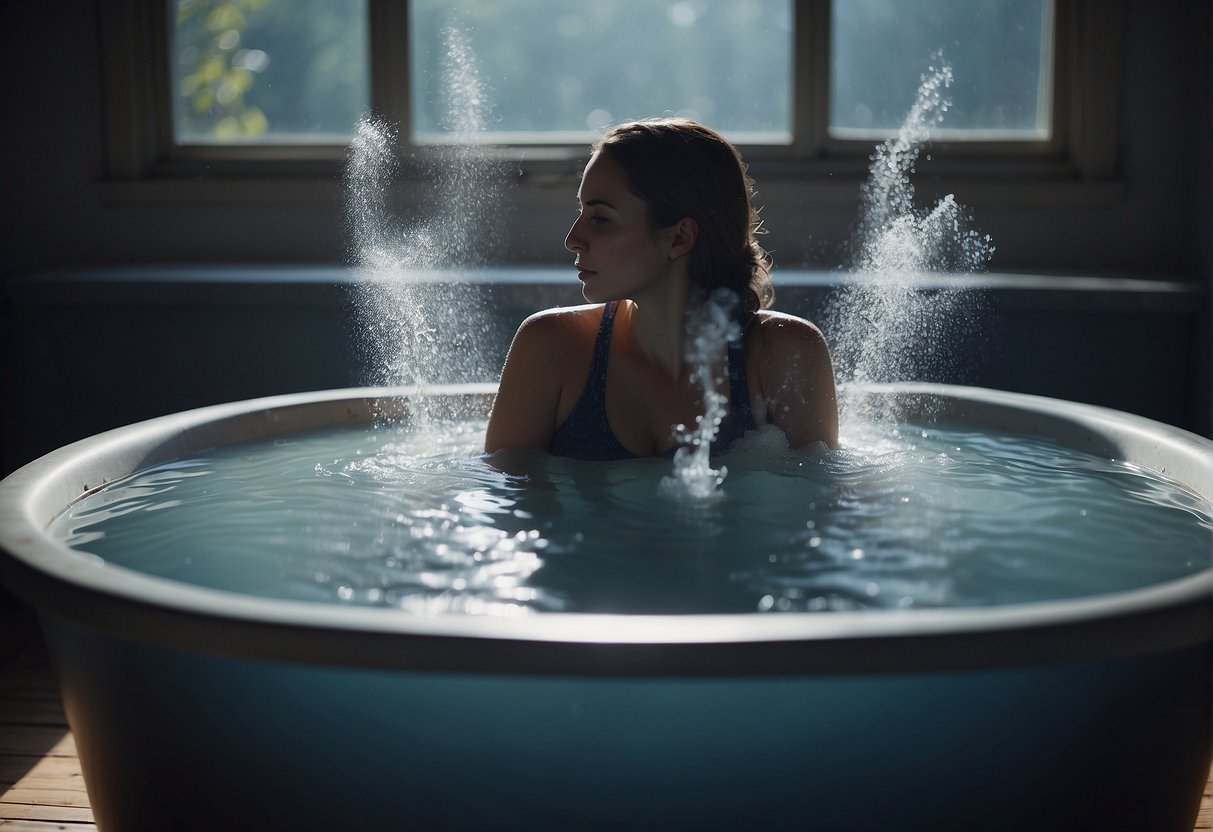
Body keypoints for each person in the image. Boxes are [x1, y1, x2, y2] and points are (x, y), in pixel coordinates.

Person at [485, 118, 838, 459]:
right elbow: (505, 503)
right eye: (581, 212)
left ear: (679, 237)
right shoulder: (550, 346)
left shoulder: (782, 355)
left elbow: (812, 506)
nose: (573, 240)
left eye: (600, 218)